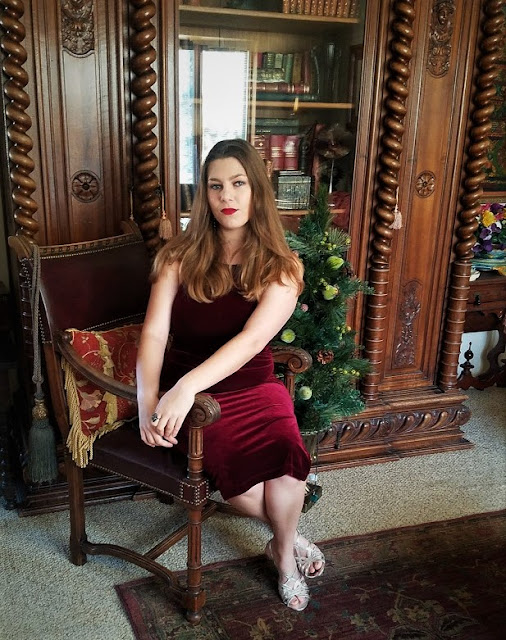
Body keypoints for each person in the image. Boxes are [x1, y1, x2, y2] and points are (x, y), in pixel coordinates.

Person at [136, 138, 325, 611]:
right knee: (238, 484)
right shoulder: (177, 257)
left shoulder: (283, 266)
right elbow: (154, 334)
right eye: (216, 185)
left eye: (238, 183)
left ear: (256, 189)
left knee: (288, 462)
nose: (227, 196)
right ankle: (290, 540)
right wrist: (147, 402)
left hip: (253, 385)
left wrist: (183, 388)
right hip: (198, 401)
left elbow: (252, 342)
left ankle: (282, 555)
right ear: (204, 194)